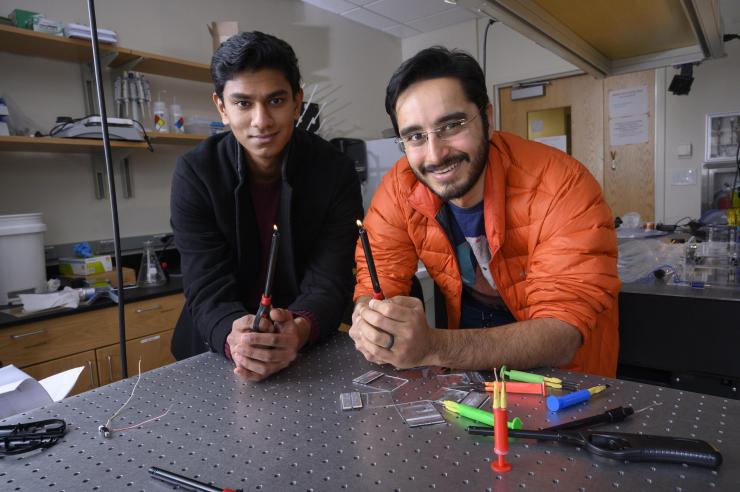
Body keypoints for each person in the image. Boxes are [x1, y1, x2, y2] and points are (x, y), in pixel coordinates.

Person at [350, 47, 620, 377]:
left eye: (452, 126)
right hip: (468, 359)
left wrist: (434, 346)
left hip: (566, 377)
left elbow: (563, 333)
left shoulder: (562, 183)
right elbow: (377, 277)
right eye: (416, 136)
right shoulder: (399, 187)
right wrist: (370, 321)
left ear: (488, 119)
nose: (435, 155)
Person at [171, 31, 363, 381]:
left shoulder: (335, 170)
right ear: (221, 107)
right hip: (216, 351)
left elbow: (330, 278)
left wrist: (300, 328)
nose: (261, 121)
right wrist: (236, 340)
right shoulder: (196, 173)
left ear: (297, 102)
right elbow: (206, 285)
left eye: (275, 101)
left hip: (307, 344)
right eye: (243, 103)